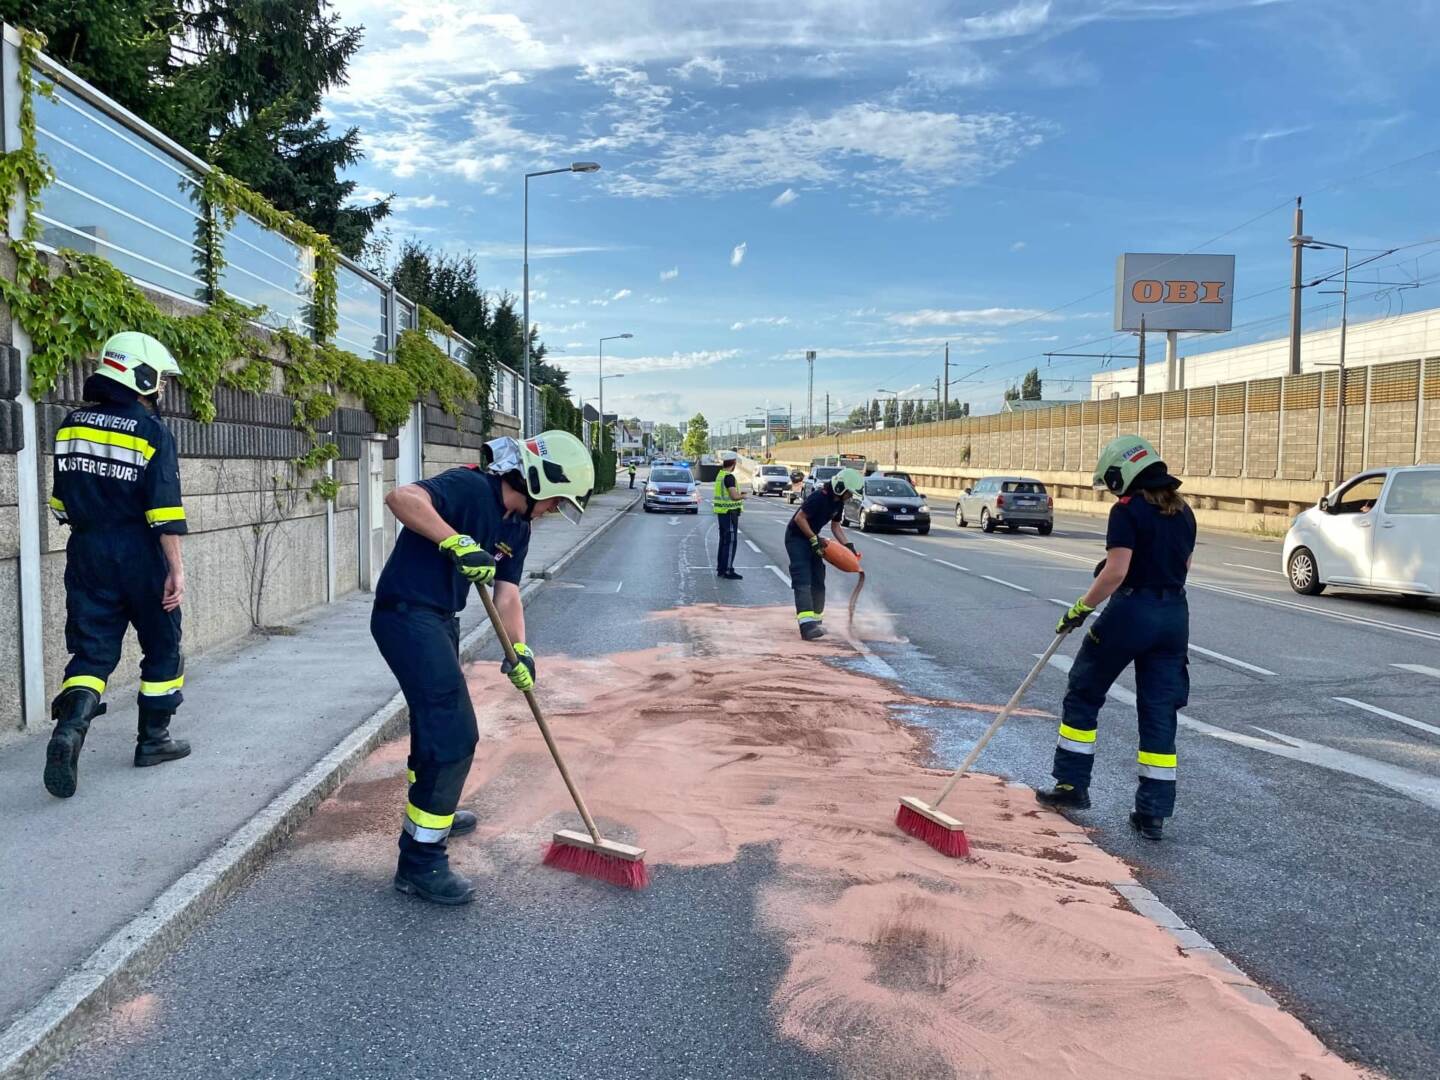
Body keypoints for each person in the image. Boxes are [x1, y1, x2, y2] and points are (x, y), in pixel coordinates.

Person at [372, 431, 594, 905]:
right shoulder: (470, 488)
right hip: (405, 615)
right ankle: (420, 862)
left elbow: (507, 593)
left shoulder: (517, 526)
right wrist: (455, 542)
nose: (556, 508)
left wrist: (521, 651)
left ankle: (434, 807)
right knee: (454, 736)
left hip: (438, 620)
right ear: (539, 481)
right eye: (557, 499)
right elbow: (401, 497)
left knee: (434, 729)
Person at [44, 331, 189, 799]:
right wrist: (176, 570)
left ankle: (70, 730)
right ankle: (154, 740)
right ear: (139, 373)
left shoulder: (70, 425)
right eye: (159, 378)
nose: (160, 388)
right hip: (141, 553)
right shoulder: (151, 430)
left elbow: (60, 504)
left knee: (92, 652)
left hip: (86, 551)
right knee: (162, 647)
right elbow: (164, 511)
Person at [1035, 435, 1196, 841]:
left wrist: (1080, 609)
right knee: (1159, 712)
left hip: (1132, 613)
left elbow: (1117, 572)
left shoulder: (1126, 511)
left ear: (1122, 474)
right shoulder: (1184, 512)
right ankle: (1152, 814)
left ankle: (1072, 786)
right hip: (1174, 616)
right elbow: (1181, 564)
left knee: (1084, 690)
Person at [785, 467, 862, 640]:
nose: (850, 497)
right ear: (840, 487)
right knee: (803, 578)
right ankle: (806, 626)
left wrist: (848, 546)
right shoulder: (819, 497)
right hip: (796, 538)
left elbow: (836, 526)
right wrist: (813, 538)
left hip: (813, 538)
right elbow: (799, 518)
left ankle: (816, 621)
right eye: (849, 493)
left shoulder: (838, 503)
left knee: (818, 578)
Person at [713, 449, 745, 580]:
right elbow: (734, 496)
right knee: (731, 542)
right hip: (730, 513)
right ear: (734, 463)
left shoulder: (720, 475)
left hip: (722, 513)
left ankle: (721, 568)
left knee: (723, 541)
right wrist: (743, 496)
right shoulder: (729, 477)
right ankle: (728, 570)